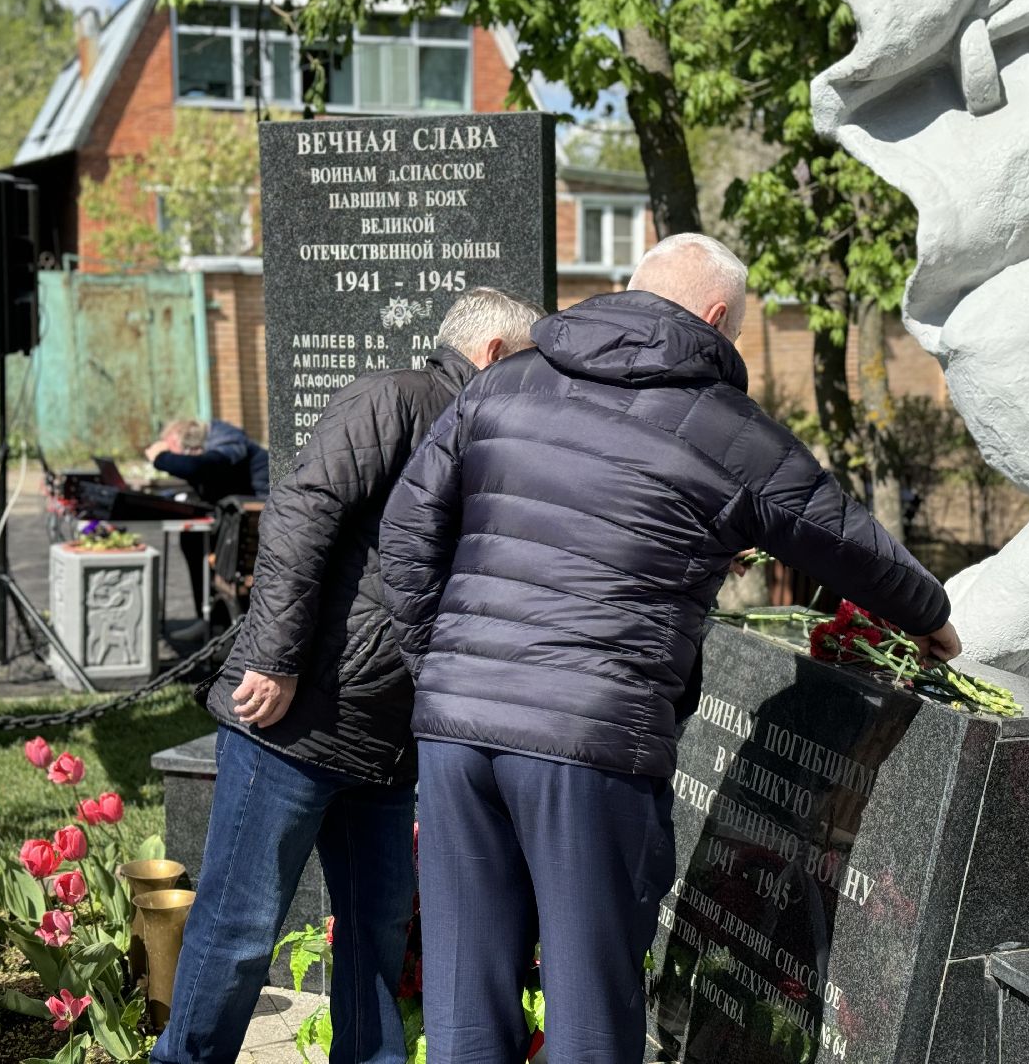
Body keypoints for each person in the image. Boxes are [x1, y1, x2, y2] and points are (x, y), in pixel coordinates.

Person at [378, 234, 962, 1064]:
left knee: (466, 997)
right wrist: (934, 616)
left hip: (456, 731)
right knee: (589, 1002)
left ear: (630, 287)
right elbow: (847, 540)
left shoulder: (501, 384)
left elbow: (404, 535)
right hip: (591, 738)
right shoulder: (728, 431)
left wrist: (440, 666)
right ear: (718, 318)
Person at [151, 287, 547, 1064]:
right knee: (239, 928)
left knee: (377, 933)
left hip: (390, 742)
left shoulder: (497, 435)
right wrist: (275, 657)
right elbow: (302, 513)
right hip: (297, 723)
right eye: (530, 365)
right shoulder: (393, 399)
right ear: (494, 353)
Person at [145, 418, 270, 616]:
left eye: (176, 454)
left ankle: (213, 621)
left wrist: (161, 458)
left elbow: (202, 467)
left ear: (190, 447)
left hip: (258, 526)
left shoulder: (227, 441)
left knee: (196, 540)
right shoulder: (214, 442)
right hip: (242, 521)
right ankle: (208, 618)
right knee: (192, 538)